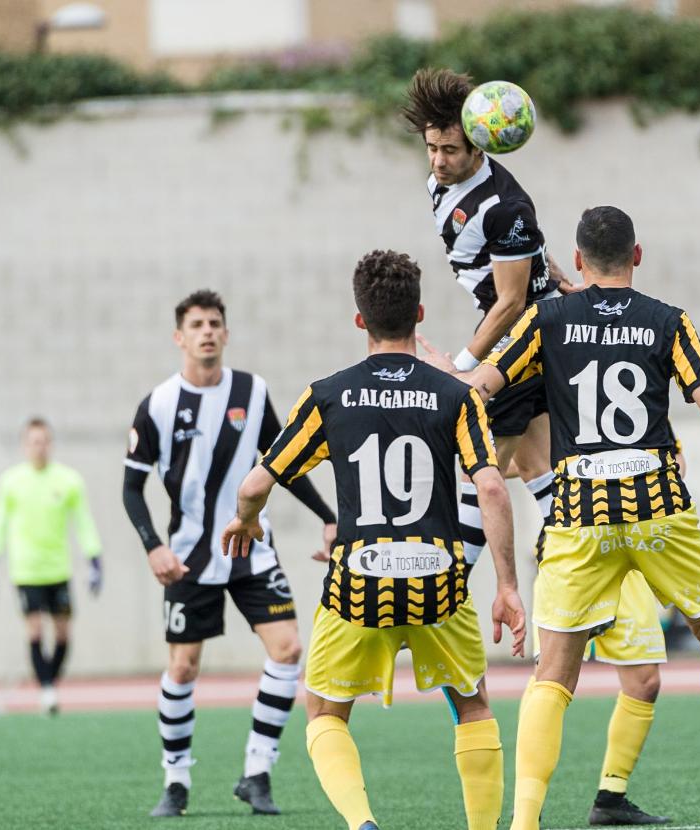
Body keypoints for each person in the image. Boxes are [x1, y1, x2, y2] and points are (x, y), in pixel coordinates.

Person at [424, 206, 700, 830]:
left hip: (579, 515)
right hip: (658, 508)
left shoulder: (548, 318)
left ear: (576, 259)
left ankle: (524, 821)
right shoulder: (668, 321)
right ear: (637, 255)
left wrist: (446, 372)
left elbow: (479, 388)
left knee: (554, 675)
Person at [405, 68, 670, 825]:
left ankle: (485, 571)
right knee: (528, 463)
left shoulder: (505, 203)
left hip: (521, 341)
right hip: (533, 328)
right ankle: (559, 542)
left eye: (451, 150)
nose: (439, 161)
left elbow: (516, 301)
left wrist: (459, 366)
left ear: (480, 142)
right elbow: (539, 268)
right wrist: (565, 283)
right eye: (431, 148)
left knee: (476, 450)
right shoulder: (444, 184)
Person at [222, 250, 527, 830]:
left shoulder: (329, 395)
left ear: (360, 320)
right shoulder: (454, 395)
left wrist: (248, 519)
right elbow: (491, 488)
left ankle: (362, 823)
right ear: (419, 313)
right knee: (473, 707)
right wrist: (507, 586)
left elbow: (255, 484)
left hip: (359, 582)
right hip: (438, 579)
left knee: (325, 715)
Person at [122, 289, 338, 818]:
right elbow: (130, 488)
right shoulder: (157, 405)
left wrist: (329, 517)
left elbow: (281, 463)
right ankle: (175, 782)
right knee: (185, 666)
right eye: (196, 324)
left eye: (215, 323)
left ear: (226, 331)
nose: (207, 332)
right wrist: (153, 548)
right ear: (180, 337)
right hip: (188, 556)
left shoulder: (252, 390)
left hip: (251, 547)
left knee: (288, 651)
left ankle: (257, 772)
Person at [0, 417, 102, 715]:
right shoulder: (10, 482)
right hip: (26, 571)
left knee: (62, 634)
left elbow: (84, 522)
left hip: (58, 569)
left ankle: (48, 681)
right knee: (35, 629)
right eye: (34, 441)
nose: (40, 447)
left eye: (45, 441)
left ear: (51, 443)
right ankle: (47, 690)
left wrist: (94, 558)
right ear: (25, 445)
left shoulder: (69, 480)